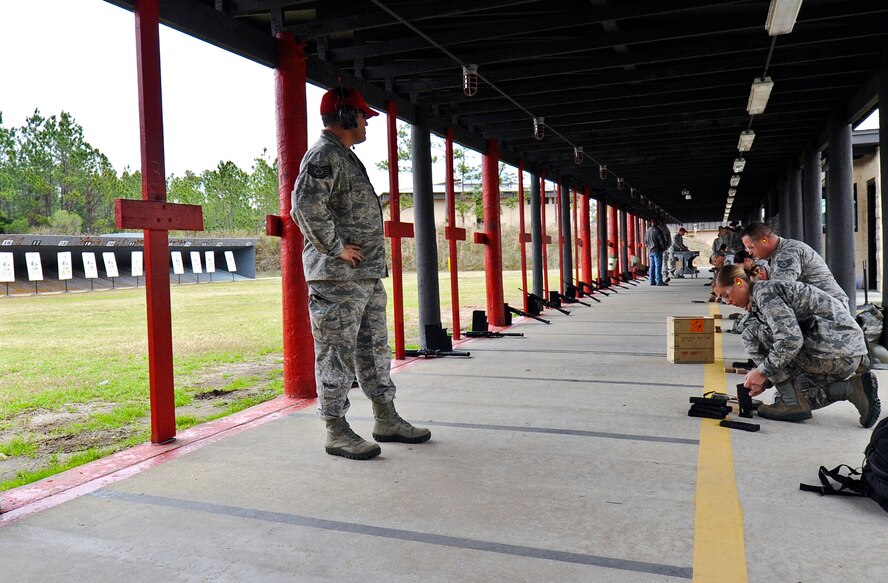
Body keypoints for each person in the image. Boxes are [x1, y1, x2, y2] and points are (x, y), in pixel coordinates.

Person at [292, 86, 431, 460]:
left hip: (364, 276)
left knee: (373, 349)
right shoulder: (323, 156)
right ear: (347, 116)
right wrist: (335, 248)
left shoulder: (345, 157)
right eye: (363, 117)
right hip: (337, 278)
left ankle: (385, 417)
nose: (367, 123)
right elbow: (304, 206)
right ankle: (335, 430)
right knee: (335, 353)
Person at [713, 264, 880, 426]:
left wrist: (762, 372)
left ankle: (791, 403)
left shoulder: (765, 293)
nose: (727, 302)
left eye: (726, 295)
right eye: (721, 299)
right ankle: (853, 389)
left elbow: (790, 340)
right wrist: (766, 381)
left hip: (835, 350)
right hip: (842, 353)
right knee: (800, 398)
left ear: (738, 283)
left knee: (751, 335)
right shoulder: (759, 298)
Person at [740, 222, 849, 310]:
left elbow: (779, 291)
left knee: (759, 329)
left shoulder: (788, 252)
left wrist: (753, 300)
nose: (750, 253)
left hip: (832, 311)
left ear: (764, 240)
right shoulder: (776, 254)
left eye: (751, 247)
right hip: (819, 307)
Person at [644, 218, 669, 286]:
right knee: (658, 266)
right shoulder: (658, 230)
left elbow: (645, 242)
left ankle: (652, 281)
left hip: (650, 251)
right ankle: (659, 281)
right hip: (657, 250)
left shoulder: (647, 231)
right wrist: (664, 248)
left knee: (652, 266)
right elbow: (662, 241)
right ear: (657, 223)